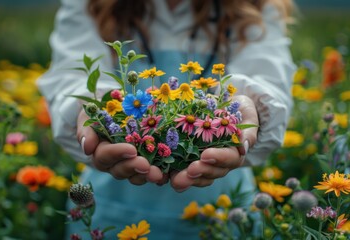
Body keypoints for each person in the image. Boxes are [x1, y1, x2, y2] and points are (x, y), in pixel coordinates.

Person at [38, 0, 295, 239]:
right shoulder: (90, 4)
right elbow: (70, 75)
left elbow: (267, 77)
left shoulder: (255, 6)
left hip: (223, 211)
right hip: (111, 206)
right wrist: (94, 106)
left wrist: (246, 107)